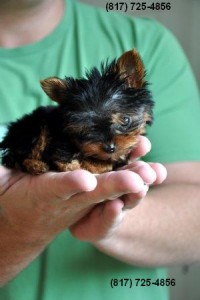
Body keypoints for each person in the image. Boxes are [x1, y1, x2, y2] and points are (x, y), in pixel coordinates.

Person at [0, 0, 200, 300]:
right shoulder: (57, 131)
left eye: (126, 123)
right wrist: (22, 228)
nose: (110, 143)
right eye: (88, 132)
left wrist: (108, 218)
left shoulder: (146, 39)